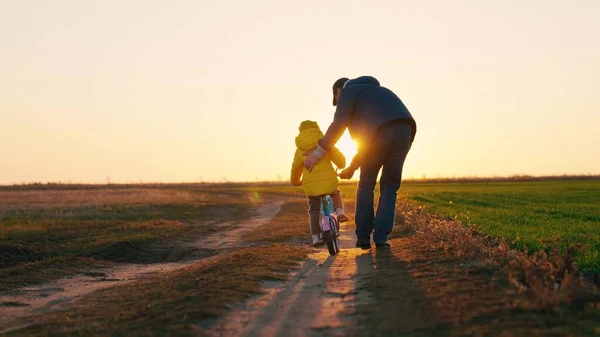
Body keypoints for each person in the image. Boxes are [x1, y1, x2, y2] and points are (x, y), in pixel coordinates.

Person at [304, 76, 417, 249]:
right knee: (390, 186)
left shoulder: (349, 91)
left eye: (337, 99)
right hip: (405, 131)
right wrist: (352, 166)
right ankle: (381, 239)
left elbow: (339, 124)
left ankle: (364, 237)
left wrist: (317, 154)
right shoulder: (377, 93)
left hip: (380, 135)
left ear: (338, 91)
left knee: (366, 184)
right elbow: (366, 143)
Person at [290, 120, 349, 246]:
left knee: (314, 209)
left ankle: (316, 237)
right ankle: (339, 212)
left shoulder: (299, 150)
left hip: (312, 187)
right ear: (317, 129)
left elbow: (295, 168)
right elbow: (340, 161)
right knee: (335, 192)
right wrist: (341, 164)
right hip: (329, 181)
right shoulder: (324, 143)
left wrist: (295, 181)